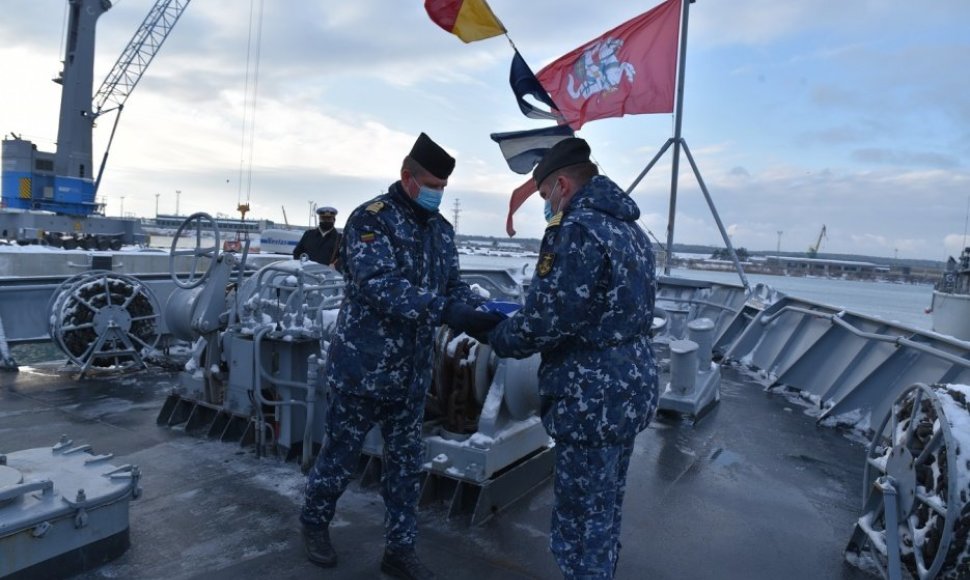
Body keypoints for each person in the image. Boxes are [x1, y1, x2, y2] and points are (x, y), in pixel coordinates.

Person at [300, 132, 504, 580]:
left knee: (406, 468)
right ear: (406, 177)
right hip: (362, 369)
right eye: (430, 184)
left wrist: (471, 309)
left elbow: (449, 285)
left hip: (412, 374)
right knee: (339, 457)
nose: (436, 193)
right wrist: (445, 310)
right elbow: (380, 285)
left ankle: (400, 549)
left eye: (443, 188)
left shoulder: (441, 232)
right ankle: (315, 522)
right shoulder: (371, 221)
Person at [487, 137, 659, 579]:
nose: (547, 205)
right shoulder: (632, 231)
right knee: (605, 511)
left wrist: (499, 335)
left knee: (579, 523)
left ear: (562, 184)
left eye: (545, 196)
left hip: (590, 398)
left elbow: (547, 319)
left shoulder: (576, 229)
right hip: (629, 389)